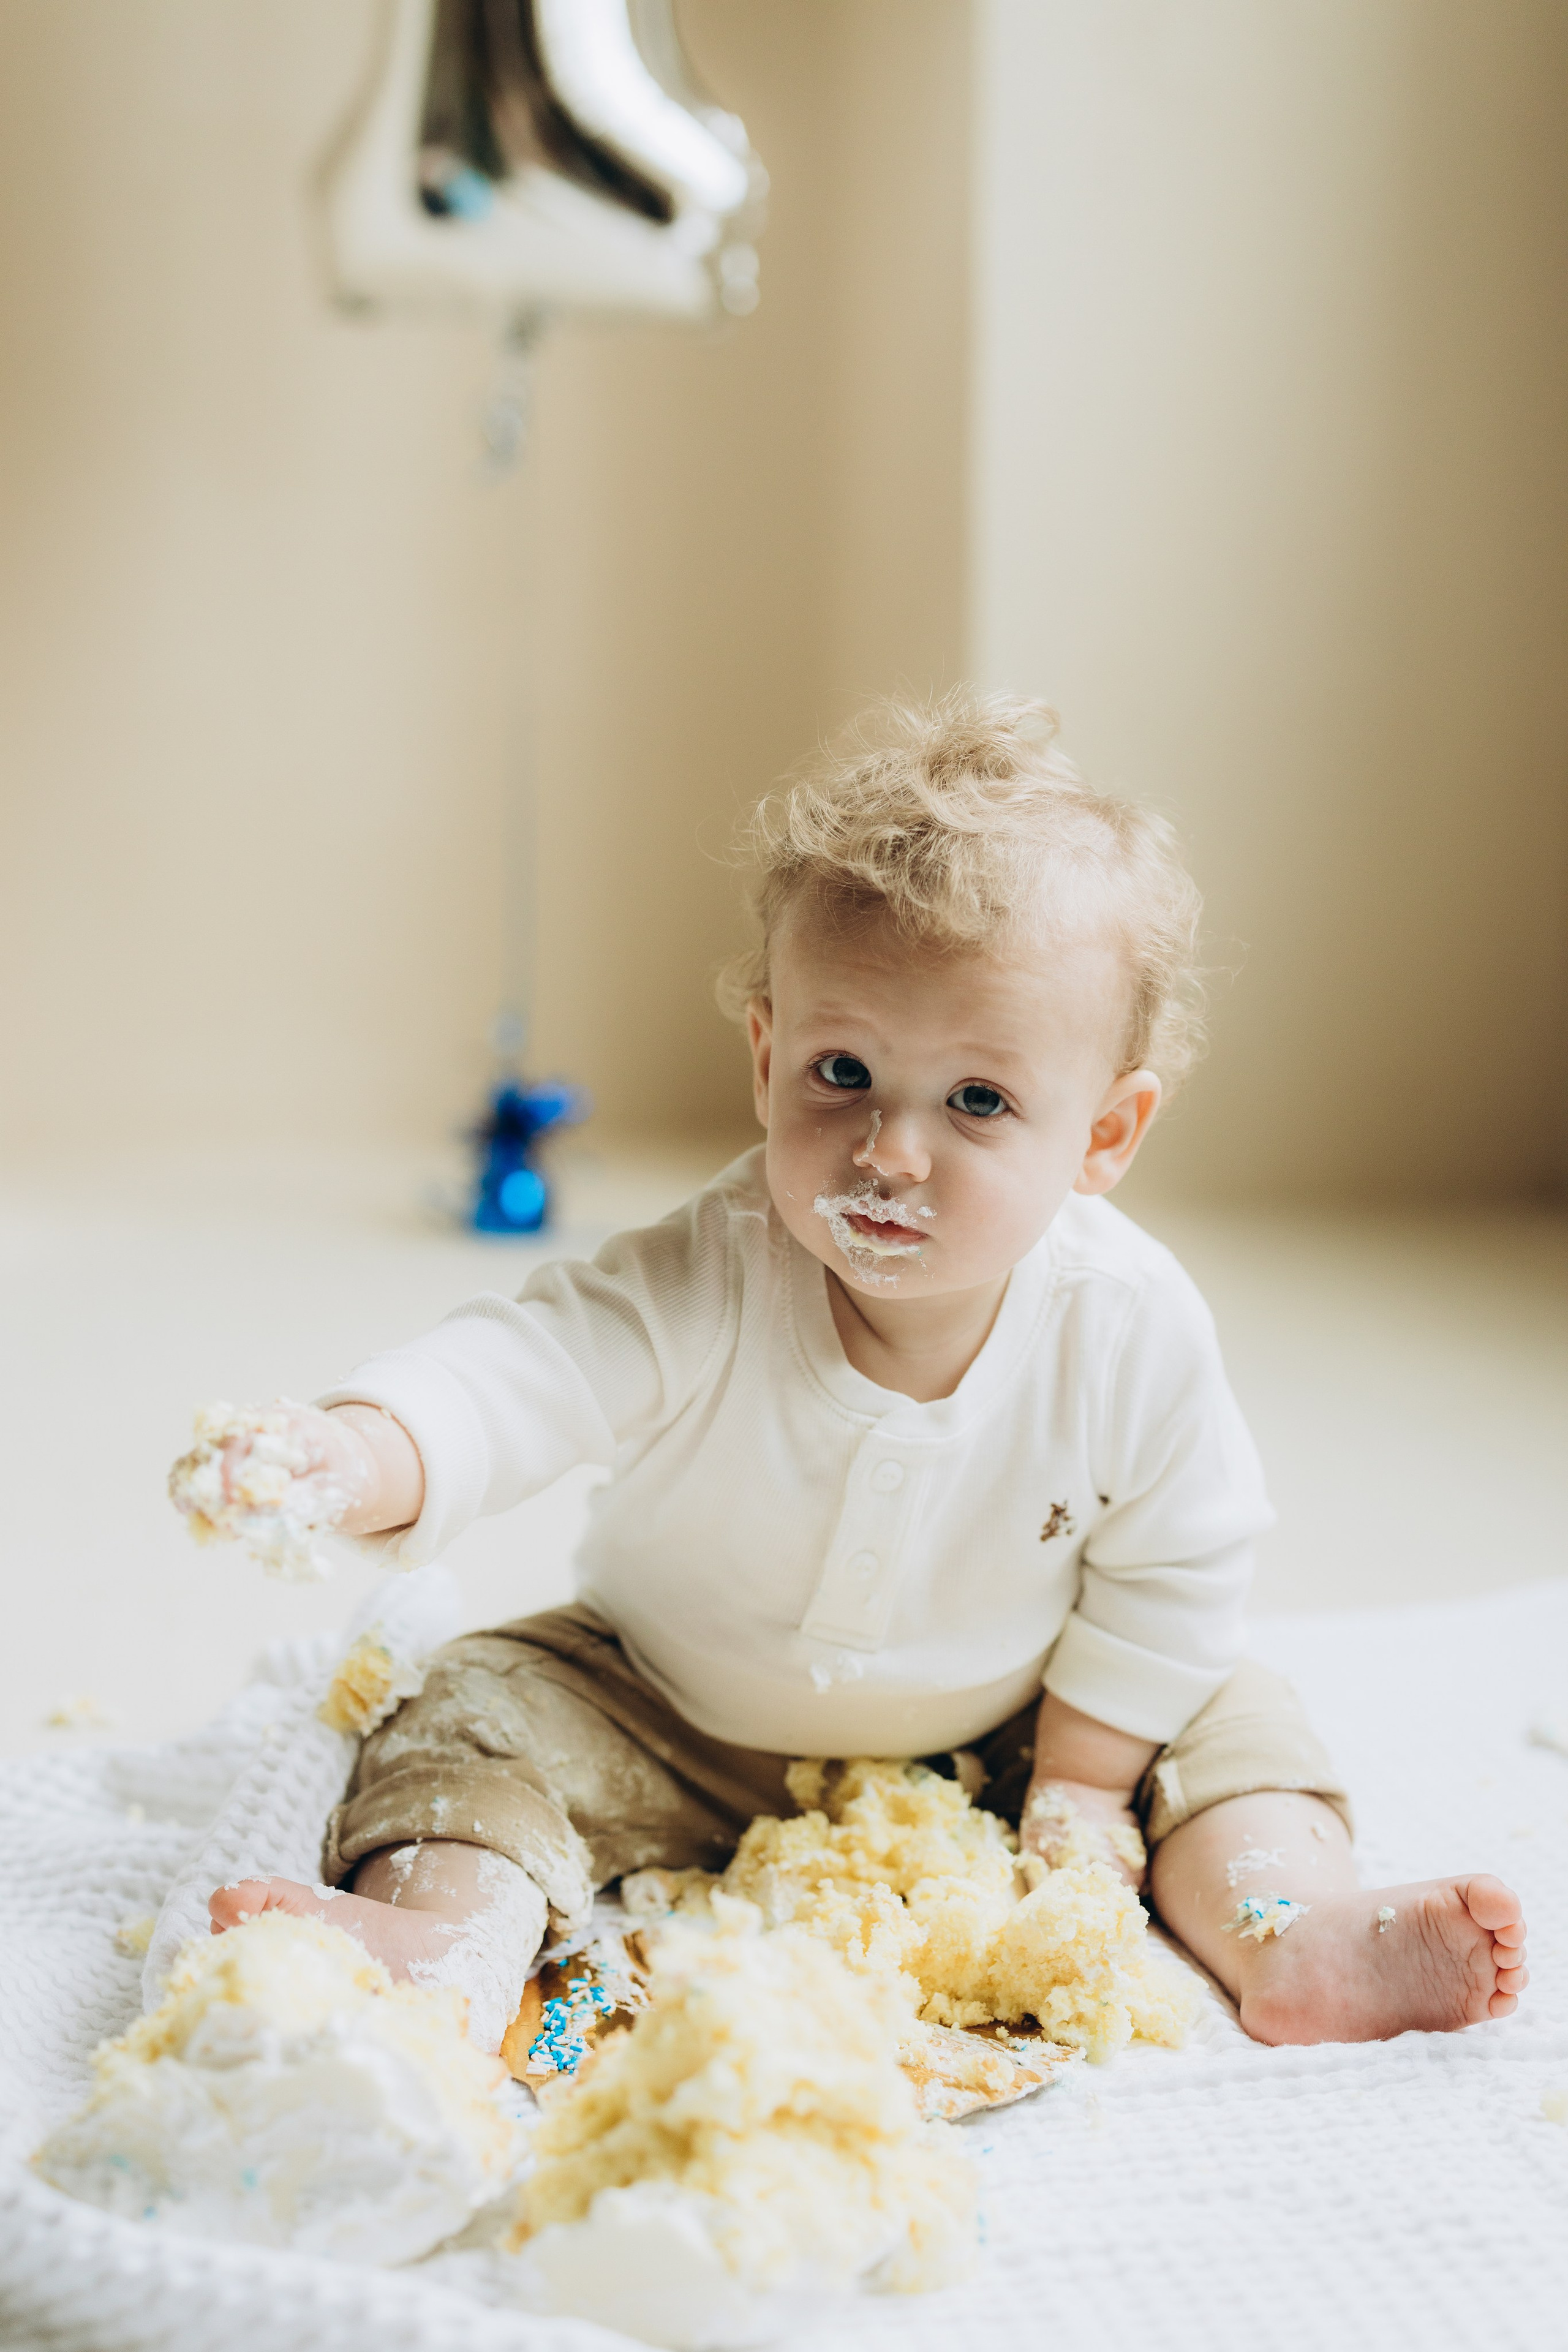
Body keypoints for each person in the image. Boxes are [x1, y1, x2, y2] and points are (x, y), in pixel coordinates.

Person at [185, 692, 1528, 2055]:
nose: (890, 1152)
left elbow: (1177, 1563)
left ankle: (1285, 1932)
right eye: (843, 1072)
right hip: (667, 1706)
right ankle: (449, 1945)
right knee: (468, 1708)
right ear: (768, 1058)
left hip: (1021, 1720)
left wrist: (1079, 1776)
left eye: (978, 1102)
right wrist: (360, 1448)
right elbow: (527, 1371)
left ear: (1104, 1134)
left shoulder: (1128, 1326)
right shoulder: (712, 1267)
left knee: (1234, 1718)